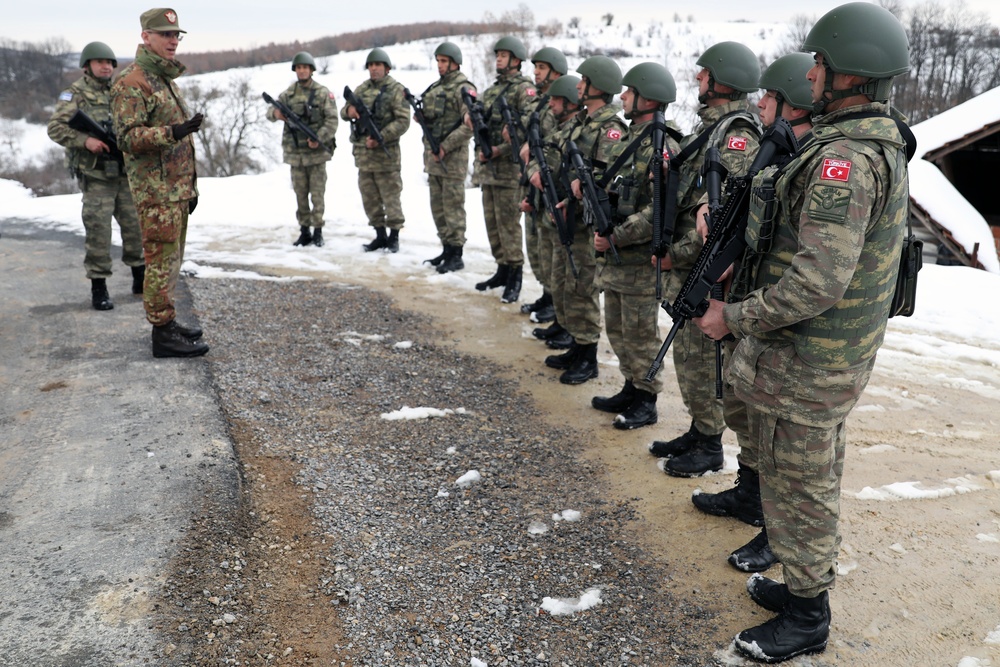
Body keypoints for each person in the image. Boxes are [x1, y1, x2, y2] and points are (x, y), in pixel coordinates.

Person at [692, 4, 911, 661]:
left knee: (803, 482)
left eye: (819, 62)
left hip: (815, 358)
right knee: (797, 476)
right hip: (815, 353)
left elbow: (819, 281)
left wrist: (732, 316)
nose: (809, 73)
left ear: (848, 74)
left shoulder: (845, 157)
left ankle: (808, 614)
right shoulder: (854, 140)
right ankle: (798, 585)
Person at [693, 52, 816, 576]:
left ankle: (774, 529)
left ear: (791, 104)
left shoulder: (818, 164)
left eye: (769, 97)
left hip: (785, 325)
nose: (759, 104)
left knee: (782, 441)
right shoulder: (781, 155)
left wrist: (737, 315)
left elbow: (809, 273)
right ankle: (750, 496)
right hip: (756, 310)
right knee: (747, 414)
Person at [648, 41, 762, 476]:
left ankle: (710, 444)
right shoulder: (710, 129)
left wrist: (677, 256)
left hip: (703, 267)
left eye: (704, 73)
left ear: (722, 79)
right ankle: (700, 430)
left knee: (701, 357)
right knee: (689, 357)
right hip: (690, 262)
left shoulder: (735, 134)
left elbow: (723, 217)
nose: (697, 79)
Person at [590, 63, 682, 430]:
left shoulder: (664, 146)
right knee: (617, 329)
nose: (623, 96)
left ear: (648, 97)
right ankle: (631, 386)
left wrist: (616, 234)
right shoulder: (632, 138)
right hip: (615, 260)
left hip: (639, 262)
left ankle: (647, 398)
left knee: (641, 334)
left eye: (629, 91)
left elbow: (658, 211)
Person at [111, 7, 208, 358]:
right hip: (155, 192)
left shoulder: (163, 79)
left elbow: (182, 146)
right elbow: (128, 137)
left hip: (174, 191)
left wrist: (190, 188)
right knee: (159, 259)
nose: (172, 41)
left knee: (171, 260)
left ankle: (167, 323)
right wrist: (173, 132)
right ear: (145, 37)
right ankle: (162, 334)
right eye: (165, 35)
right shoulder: (132, 82)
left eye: (175, 35)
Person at [542, 55, 626, 385]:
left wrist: (581, 188)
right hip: (569, 218)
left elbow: (608, 180)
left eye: (584, 81)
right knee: (566, 285)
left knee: (583, 288)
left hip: (588, 225)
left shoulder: (611, 130)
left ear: (597, 87)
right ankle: (577, 345)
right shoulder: (582, 123)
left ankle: (588, 355)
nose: (578, 86)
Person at [47, 41, 143, 311]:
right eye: (100, 62)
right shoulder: (75, 93)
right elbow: (55, 128)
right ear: (87, 65)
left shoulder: (120, 91)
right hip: (97, 175)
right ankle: (99, 288)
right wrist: (84, 140)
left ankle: (140, 278)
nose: (106, 66)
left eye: (110, 62)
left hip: (125, 173)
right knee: (99, 233)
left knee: (135, 228)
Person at [468, 36, 538, 304]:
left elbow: (529, 128)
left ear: (516, 60)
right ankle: (502, 269)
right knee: (493, 224)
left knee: (509, 225)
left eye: (504, 55)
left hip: (509, 170)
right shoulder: (494, 89)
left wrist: (501, 149)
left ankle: (515, 275)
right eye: (497, 55)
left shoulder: (524, 89)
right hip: (489, 171)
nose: (498, 59)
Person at [524, 74, 581, 348]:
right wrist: (533, 171)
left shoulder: (579, 131)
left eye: (558, 99)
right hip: (550, 211)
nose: (553, 104)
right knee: (555, 276)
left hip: (570, 218)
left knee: (570, 280)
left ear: (571, 103)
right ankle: (562, 321)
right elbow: (538, 159)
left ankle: (574, 332)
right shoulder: (560, 132)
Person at [267, 51, 338, 248]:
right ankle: (304, 231)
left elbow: (332, 121)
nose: (302, 71)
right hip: (296, 155)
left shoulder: (323, 93)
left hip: (316, 155)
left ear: (311, 70)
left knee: (317, 195)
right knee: (300, 194)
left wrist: (319, 137)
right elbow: (269, 112)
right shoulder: (288, 94)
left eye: (305, 68)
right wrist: (276, 113)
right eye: (299, 68)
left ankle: (318, 231)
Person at [342, 48, 410, 253]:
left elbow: (403, 121)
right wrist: (350, 111)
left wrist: (382, 137)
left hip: (386, 156)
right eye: (371, 65)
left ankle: (394, 237)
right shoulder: (361, 89)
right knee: (370, 198)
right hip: (364, 156)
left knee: (391, 198)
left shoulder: (396, 90)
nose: (374, 69)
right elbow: (344, 111)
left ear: (386, 68)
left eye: (378, 65)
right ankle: (379, 236)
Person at [519, 46, 568, 322]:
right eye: (535, 67)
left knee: (550, 252)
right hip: (532, 183)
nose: (535, 72)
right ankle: (547, 295)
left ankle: (555, 302)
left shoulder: (560, 106)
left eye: (541, 68)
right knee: (537, 249)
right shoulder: (538, 102)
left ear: (556, 72)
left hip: (548, 184)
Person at [419, 42, 474, 274]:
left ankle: (457, 254)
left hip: (452, 160)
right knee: (438, 208)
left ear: (454, 63)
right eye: (438, 61)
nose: (440, 65)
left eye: (444, 61)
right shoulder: (434, 88)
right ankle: (446, 249)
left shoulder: (464, 88)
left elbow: (469, 124)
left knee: (453, 207)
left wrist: (446, 146)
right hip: (433, 159)